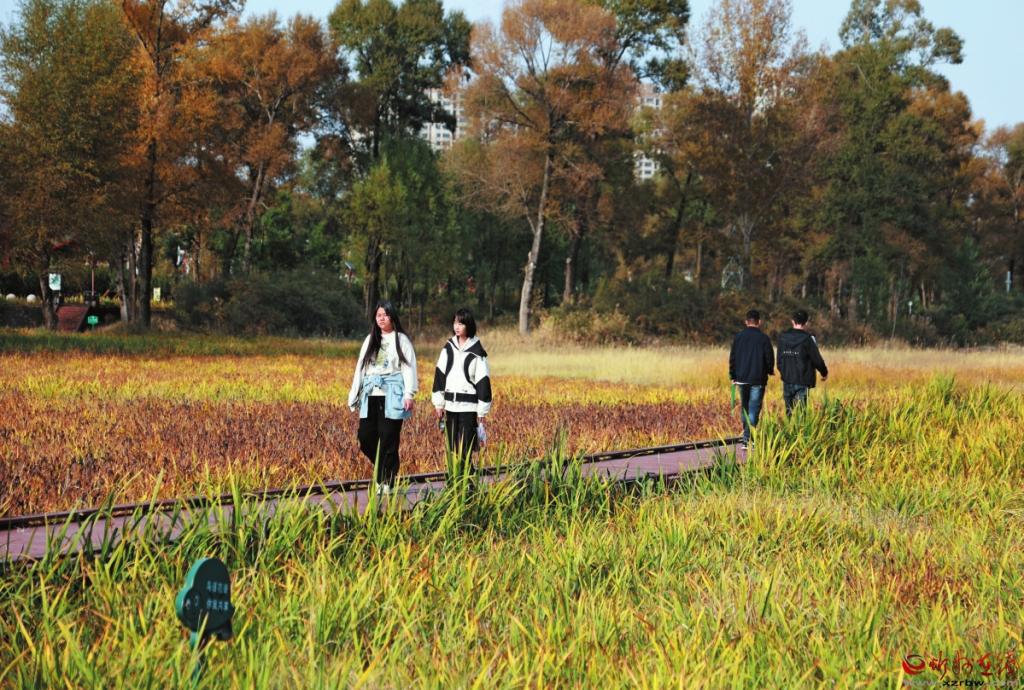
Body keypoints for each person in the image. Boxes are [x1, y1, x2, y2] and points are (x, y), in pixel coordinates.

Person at [347, 301, 418, 494]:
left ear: (392, 317)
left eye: (385, 315)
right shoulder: (370, 339)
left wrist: (409, 394)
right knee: (365, 437)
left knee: (388, 437)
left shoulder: (401, 340)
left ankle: (386, 482)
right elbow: (360, 367)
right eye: (378, 315)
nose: (381, 318)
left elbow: (409, 367)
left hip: (392, 394)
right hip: (371, 394)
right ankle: (384, 469)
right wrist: (354, 394)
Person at [431, 308, 492, 472]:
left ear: (469, 325)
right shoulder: (448, 348)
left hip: (468, 408)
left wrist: (482, 411)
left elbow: (483, 382)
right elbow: (439, 376)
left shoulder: (477, 352)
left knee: (465, 449)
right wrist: (439, 403)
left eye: (461, 323)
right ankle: (455, 481)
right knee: (452, 449)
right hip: (450, 407)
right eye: (455, 323)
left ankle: (467, 483)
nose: (457, 327)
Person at [729, 309, 774, 447]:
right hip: (757, 379)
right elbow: (769, 358)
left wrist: (732, 375)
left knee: (745, 408)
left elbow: (733, 357)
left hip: (741, 378)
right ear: (759, 322)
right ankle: (750, 439)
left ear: (746, 322)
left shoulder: (738, 337)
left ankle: (746, 438)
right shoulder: (764, 338)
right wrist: (770, 370)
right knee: (754, 409)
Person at [776, 309, 829, 415]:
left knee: (789, 413)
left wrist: (784, 373)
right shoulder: (807, 339)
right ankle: (800, 426)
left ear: (792, 321)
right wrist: (824, 372)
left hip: (787, 379)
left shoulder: (782, 338)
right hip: (802, 380)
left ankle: (789, 426)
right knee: (801, 414)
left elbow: (779, 360)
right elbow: (817, 359)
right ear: (806, 322)